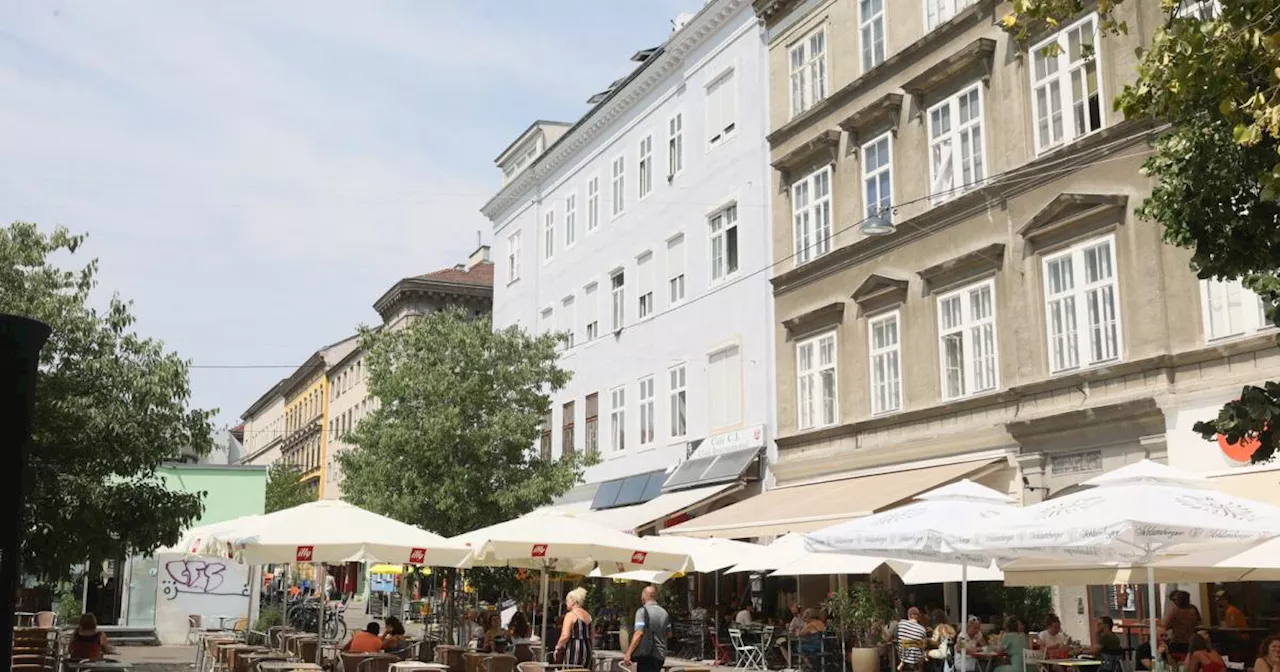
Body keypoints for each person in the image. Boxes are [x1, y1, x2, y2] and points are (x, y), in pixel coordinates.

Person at [624, 585, 671, 672]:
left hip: (646, 655)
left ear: (645, 595)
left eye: (642, 595)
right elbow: (668, 634)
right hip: (660, 656)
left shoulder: (642, 611)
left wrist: (628, 653)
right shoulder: (664, 613)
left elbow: (639, 633)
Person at [555, 587, 593, 668]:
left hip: (575, 648)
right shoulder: (588, 615)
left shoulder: (570, 615)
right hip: (587, 647)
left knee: (572, 670)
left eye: (567, 600)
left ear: (573, 601)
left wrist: (558, 647)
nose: (566, 603)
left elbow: (565, 635)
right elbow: (591, 635)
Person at [1164, 590, 1202, 657]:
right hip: (1191, 641)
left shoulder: (1175, 610)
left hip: (1178, 641)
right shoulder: (1193, 609)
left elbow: (1166, 625)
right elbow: (1198, 623)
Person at [898, 607, 929, 672]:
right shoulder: (922, 629)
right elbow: (923, 647)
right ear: (918, 616)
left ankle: (901, 663)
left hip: (903, 658)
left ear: (908, 615)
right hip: (916, 662)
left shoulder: (901, 624)